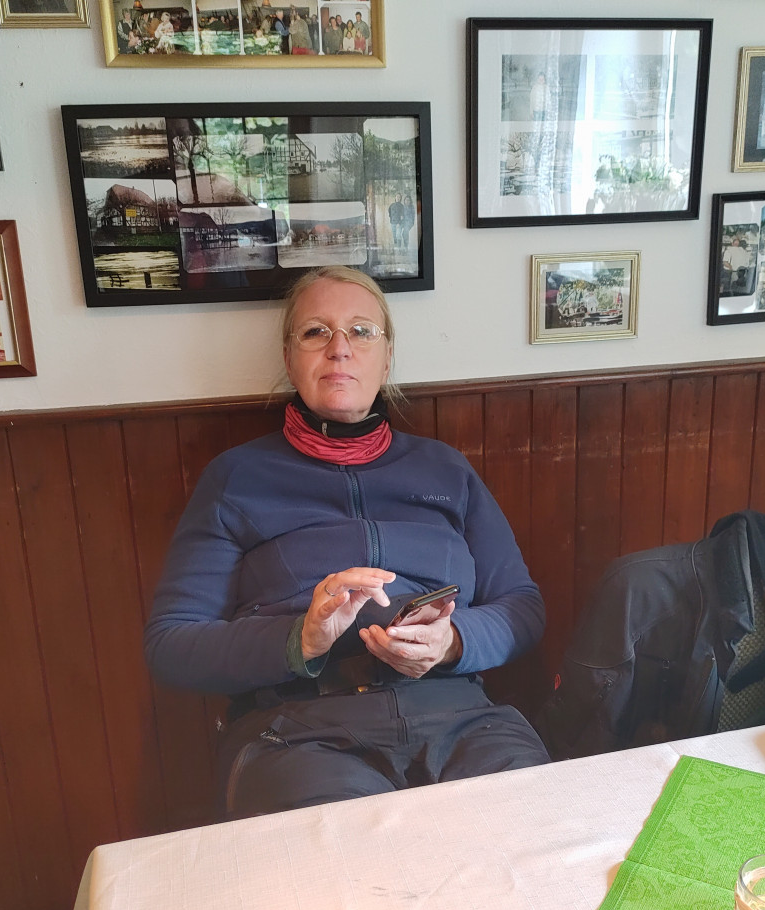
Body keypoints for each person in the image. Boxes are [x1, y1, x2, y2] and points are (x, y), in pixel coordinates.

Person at [145, 266, 550, 819]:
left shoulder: (446, 470)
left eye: (362, 331)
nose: (340, 348)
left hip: (459, 715)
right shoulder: (234, 478)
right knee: (349, 862)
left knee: (538, 827)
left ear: (387, 357)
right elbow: (171, 643)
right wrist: (300, 640)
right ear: (289, 358)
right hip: (299, 731)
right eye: (316, 332)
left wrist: (453, 641)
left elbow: (522, 607)